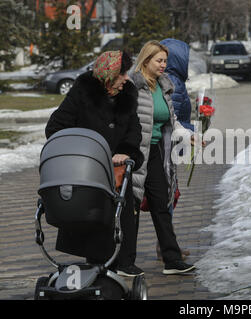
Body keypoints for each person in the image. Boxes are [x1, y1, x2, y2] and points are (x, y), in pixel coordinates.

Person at [45, 50, 145, 277]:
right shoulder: (82, 92)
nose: (126, 79)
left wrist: (126, 151)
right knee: (96, 218)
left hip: (119, 170)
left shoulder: (127, 94)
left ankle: (124, 263)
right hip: (89, 170)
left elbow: (134, 129)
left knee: (123, 215)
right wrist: (84, 151)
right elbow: (56, 128)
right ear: (109, 75)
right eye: (122, 74)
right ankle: (99, 267)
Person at [129, 40, 195, 275]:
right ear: (145, 61)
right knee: (131, 206)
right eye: (159, 60)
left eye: (166, 61)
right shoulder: (133, 86)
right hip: (135, 153)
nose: (163, 65)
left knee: (161, 203)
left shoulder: (163, 85)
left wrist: (187, 135)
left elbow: (171, 119)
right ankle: (125, 262)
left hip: (156, 150)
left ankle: (172, 259)